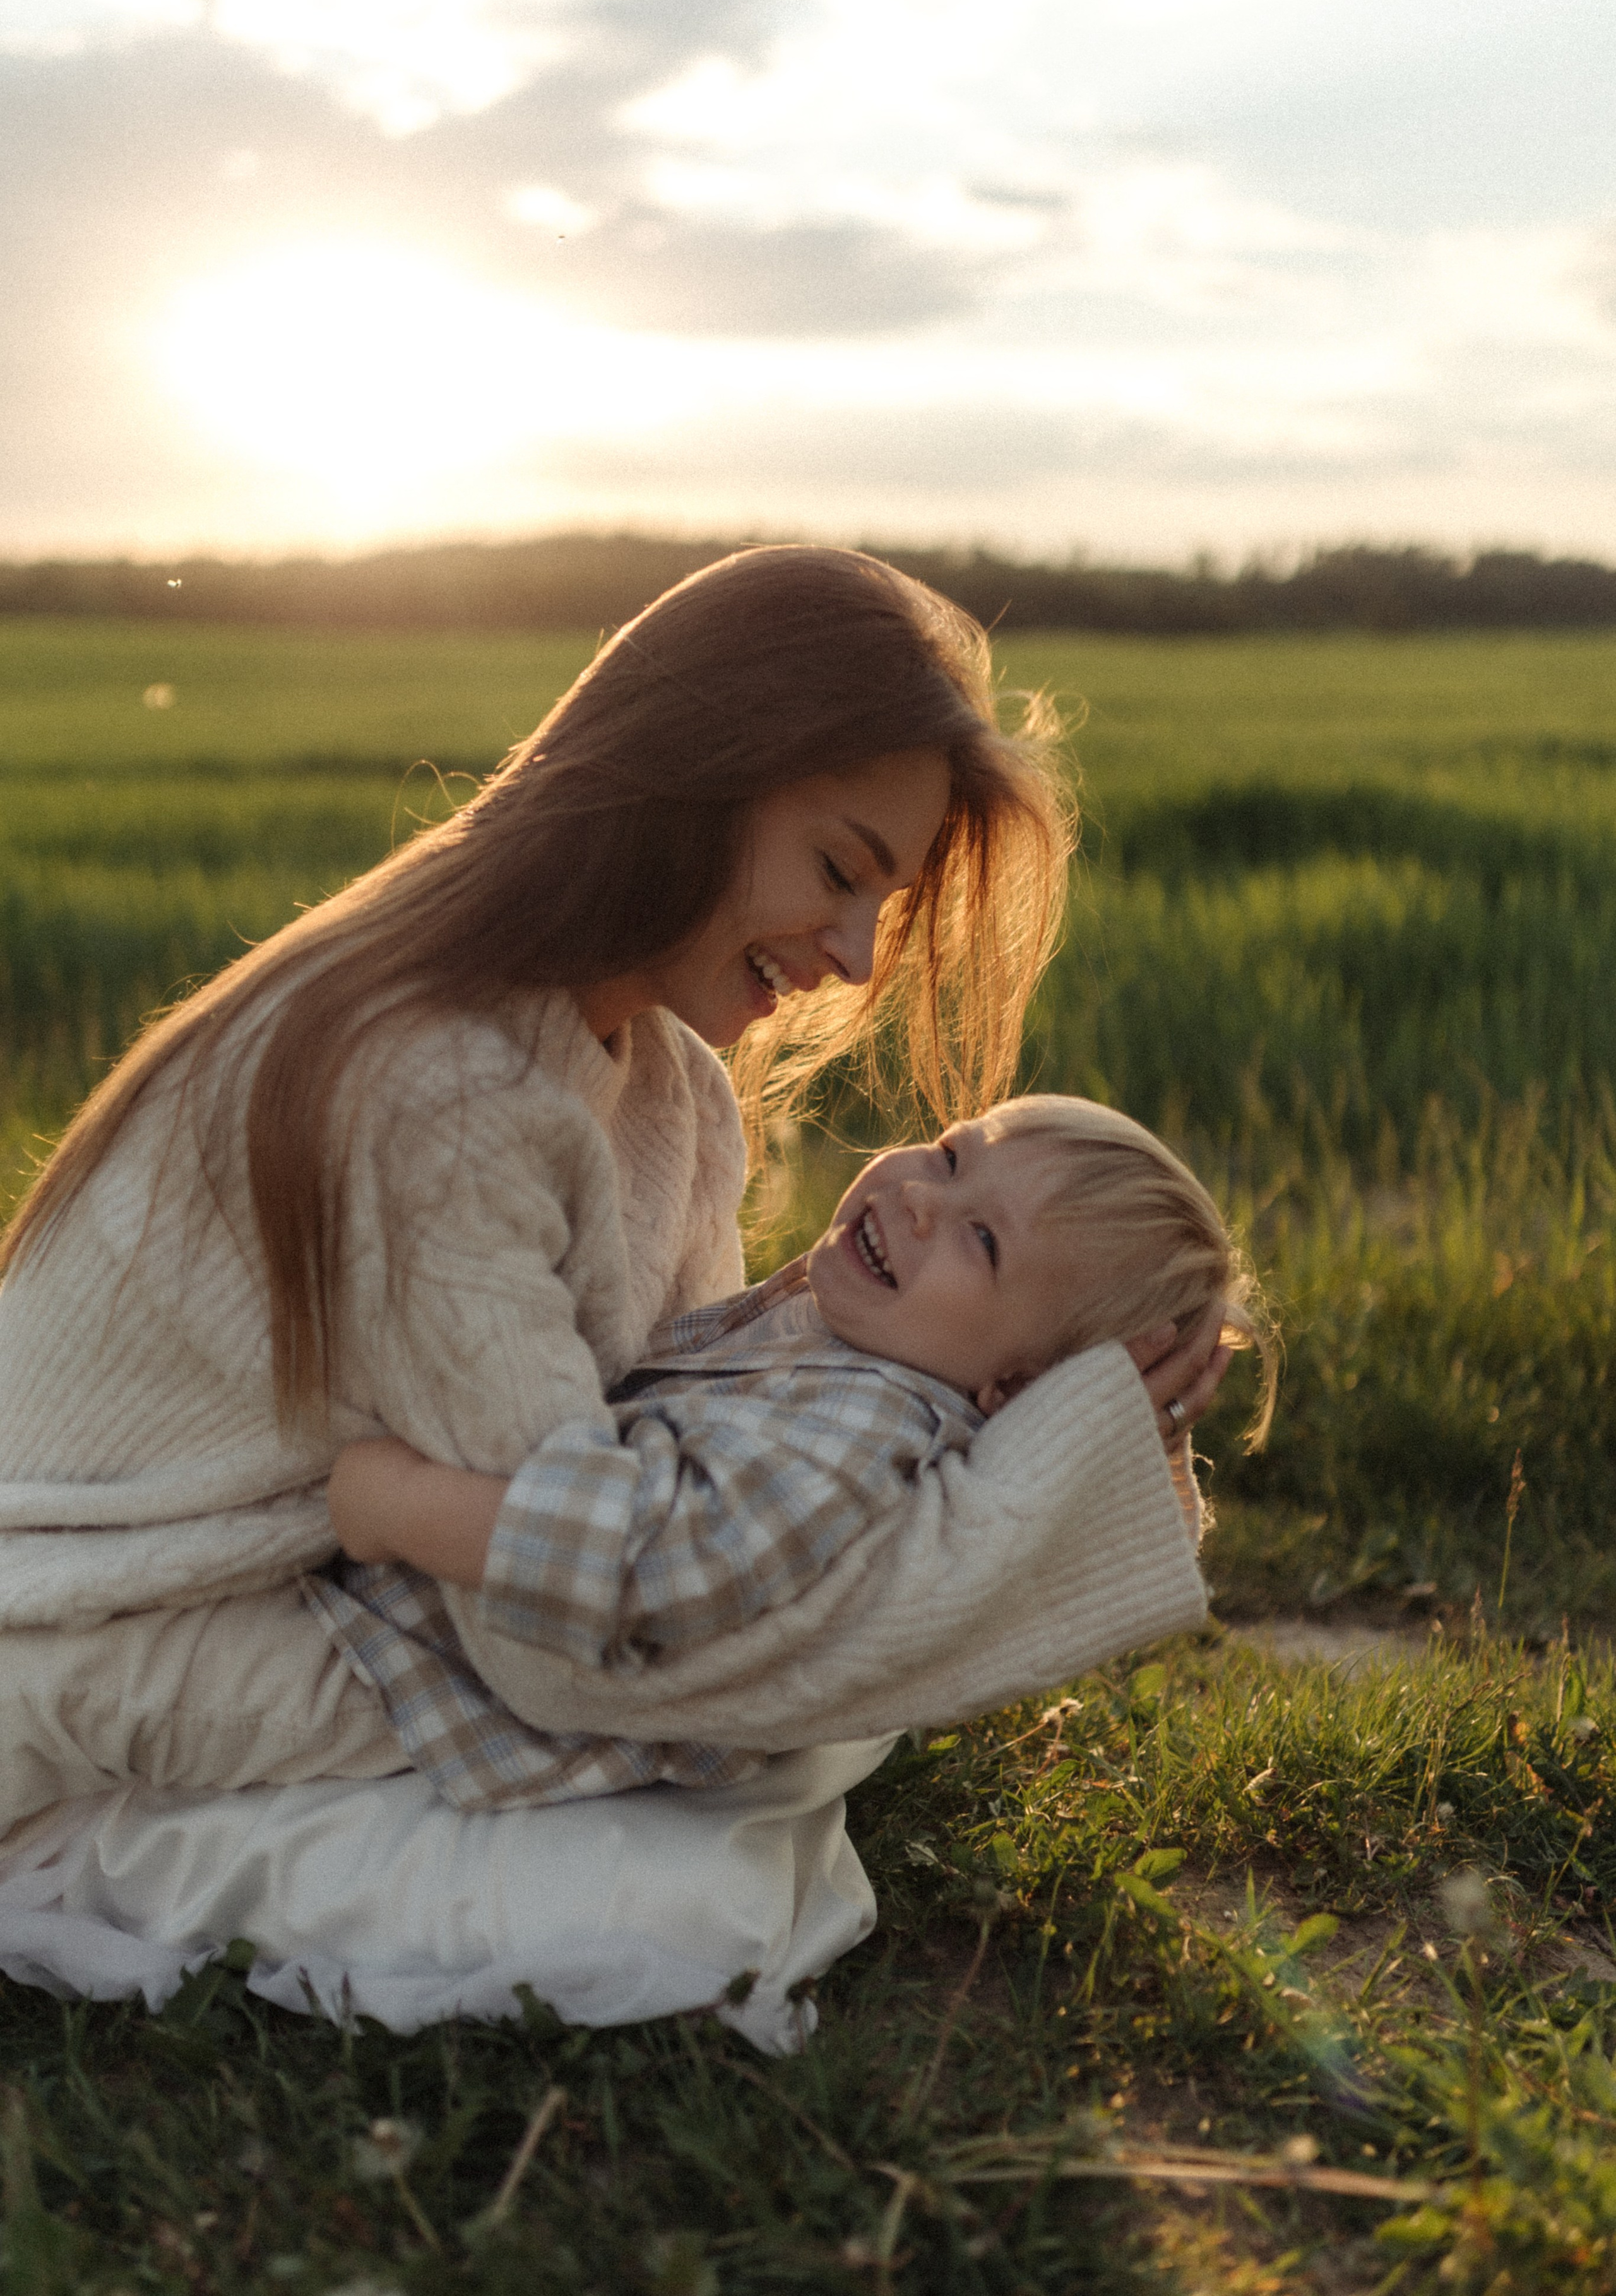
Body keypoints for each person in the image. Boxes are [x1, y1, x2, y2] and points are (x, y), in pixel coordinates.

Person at [0, 545, 1228, 1837]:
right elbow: (566, 1646)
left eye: (883, 900)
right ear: (692, 788)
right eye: (834, 869)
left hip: (326, 1582)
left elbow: (684, 1488)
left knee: (750, 1752)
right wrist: (1028, 1502)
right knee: (718, 1791)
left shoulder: (663, 1090)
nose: (859, 958)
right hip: (99, 1603)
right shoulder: (443, 1100)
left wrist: (1061, 1402)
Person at [313, 1094, 1275, 1809]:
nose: (919, 1200)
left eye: (982, 1240)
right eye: (950, 1154)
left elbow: (663, 1561)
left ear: (1019, 1390)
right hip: (407, 1629)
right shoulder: (847, 1340)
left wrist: (399, 1505)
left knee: (172, 1703)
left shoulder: (865, 1427)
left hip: (405, 1679)